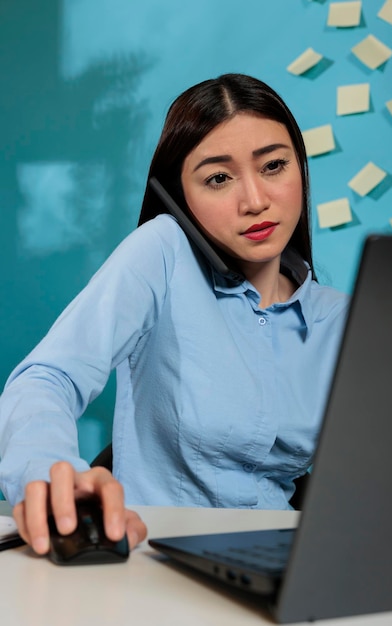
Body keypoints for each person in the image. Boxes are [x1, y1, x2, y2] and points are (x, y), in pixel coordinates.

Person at [0, 73, 349, 556]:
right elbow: (47, 376)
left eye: (273, 166)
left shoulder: (339, 318)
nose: (255, 200)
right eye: (218, 178)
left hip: (288, 561)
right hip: (156, 555)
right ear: (179, 197)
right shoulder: (162, 254)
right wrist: (48, 473)